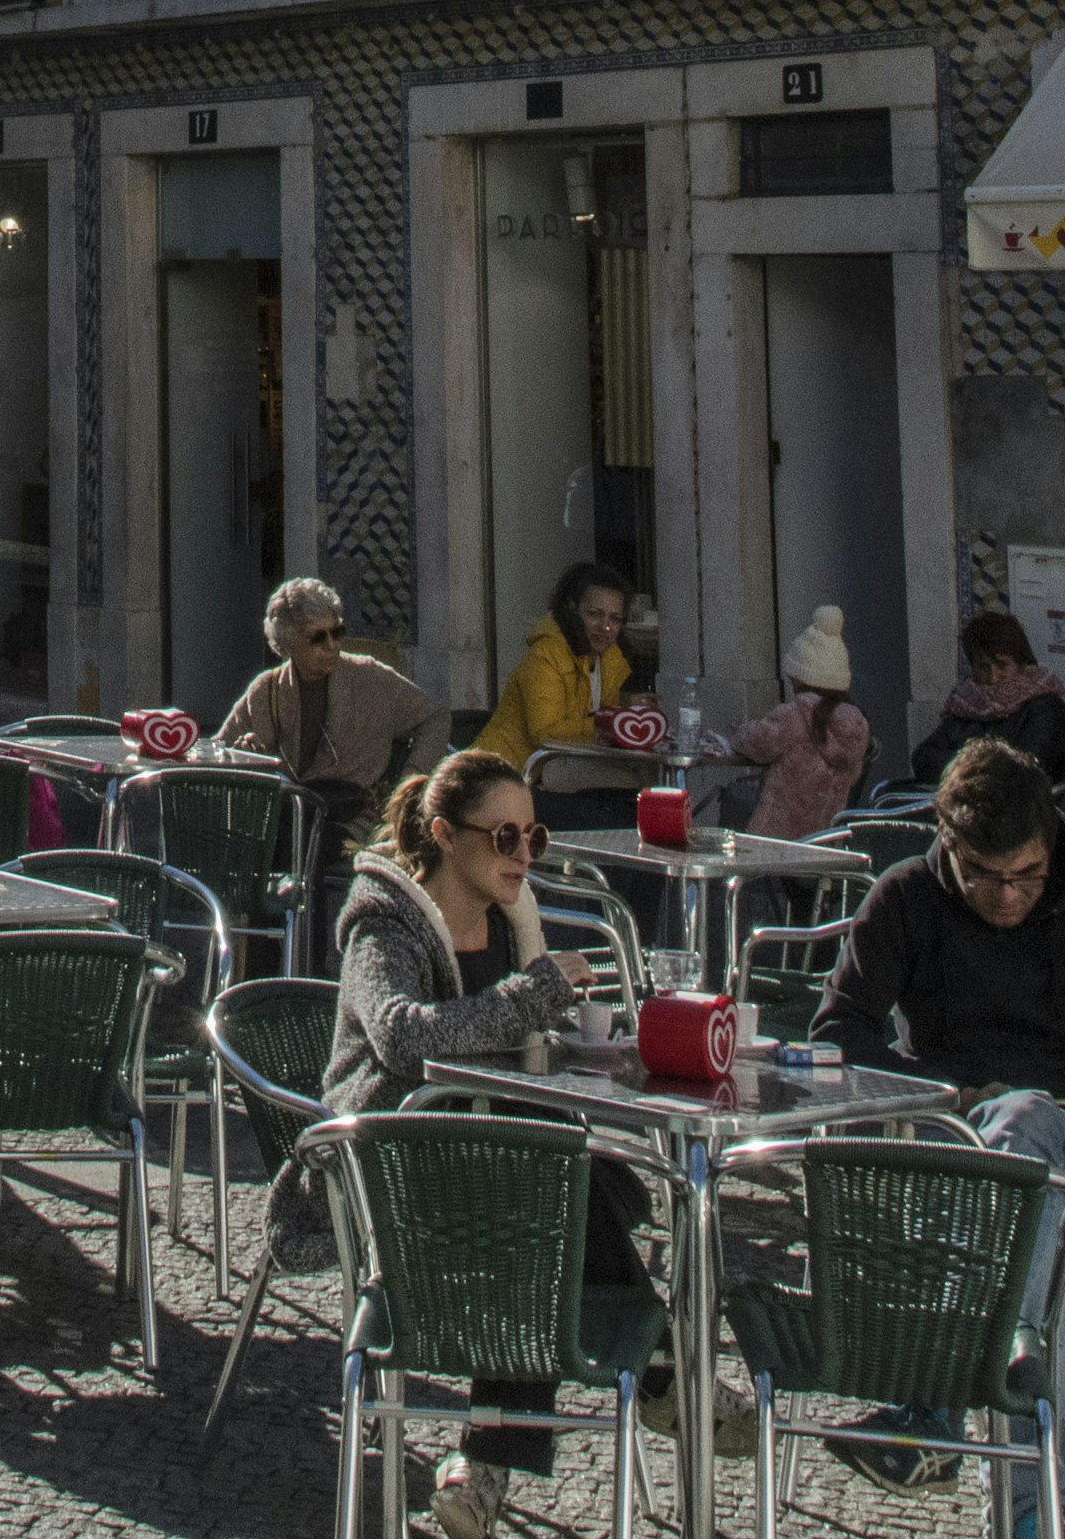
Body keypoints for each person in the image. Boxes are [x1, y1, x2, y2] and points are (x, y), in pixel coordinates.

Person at [332, 749, 733, 1535]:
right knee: (562, 1187)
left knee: (565, 1186)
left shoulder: (512, 925)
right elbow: (404, 1039)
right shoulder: (383, 925)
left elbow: (520, 1050)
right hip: (396, 1172)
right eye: (504, 837)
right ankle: (665, 1370)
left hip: (497, 1171)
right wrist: (535, 992)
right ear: (446, 835)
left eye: (533, 838)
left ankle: (487, 1463)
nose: (523, 856)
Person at [815, 735, 1065, 1286]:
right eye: (984, 875)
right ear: (947, 841)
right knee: (989, 1147)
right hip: (948, 1127)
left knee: (1021, 1121)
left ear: (1050, 841)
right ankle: (1016, 1361)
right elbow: (836, 1033)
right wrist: (952, 1095)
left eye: (1028, 874)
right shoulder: (906, 897)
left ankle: (974, 1350)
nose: (1008, 895)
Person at [211, 575, 445, 870]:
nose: (332, 645)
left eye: (337, 632)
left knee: (301, 848)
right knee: (242, 845)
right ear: (288, 643)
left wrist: (411, 781)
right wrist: (242, 752)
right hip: (289, 816)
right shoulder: (266, 690)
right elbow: (219, 750)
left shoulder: (371, 678)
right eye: (318, 637)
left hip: (357, 819)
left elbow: (435, 717)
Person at [479, 557, 642, 822]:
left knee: (640, 795)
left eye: (615, 618)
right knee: (615, 816)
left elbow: (593, 727)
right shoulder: (545, 654)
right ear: (572, 610)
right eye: (594, 614)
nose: (606, 627)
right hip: (510, 777)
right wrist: (611, 723)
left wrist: (631, 721)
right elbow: (544, 732)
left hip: (557, 774)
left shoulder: (608, 661)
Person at [727, 606, 883, 842]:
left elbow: (755, 743)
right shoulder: (858, 726)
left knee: (732, 800)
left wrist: (739, 731)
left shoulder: (793, 716)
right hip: (825, 841)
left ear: (800, 677)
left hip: (777, 839)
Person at [906, 610, 1065, 795]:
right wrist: (981, 767)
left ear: (1021, 664)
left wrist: (968, 765)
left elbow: (1031, 766)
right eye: (983, 667)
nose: (993, 677)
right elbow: (924, 759)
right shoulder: (966, 705)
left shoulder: (1045, 707)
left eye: (1003, 665)